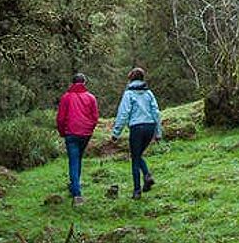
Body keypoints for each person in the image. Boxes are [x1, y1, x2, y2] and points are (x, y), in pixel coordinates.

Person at [110, 67, 162, 199]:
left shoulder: (128, 94)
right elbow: (156, 113)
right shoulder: (149, 93)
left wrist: (116, 133)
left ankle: (137, 191)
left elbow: (123, 114)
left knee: (135, 158)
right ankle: (147, 176)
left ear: (130, 79)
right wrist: (158, 132)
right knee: (138, 155)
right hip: (150, 127)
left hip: (137, 128)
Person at [56, 73, 99, 206]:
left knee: (73, 160)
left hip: (71, 133)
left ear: (72, 83)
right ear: (84, 83)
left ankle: (76, 193)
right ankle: (75, 186)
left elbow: (60, 118)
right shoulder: (91, 98)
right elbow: (95, 117)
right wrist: (90, 129)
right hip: (85, 133)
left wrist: (62, 132)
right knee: (78, 158)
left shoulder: (66, 97)